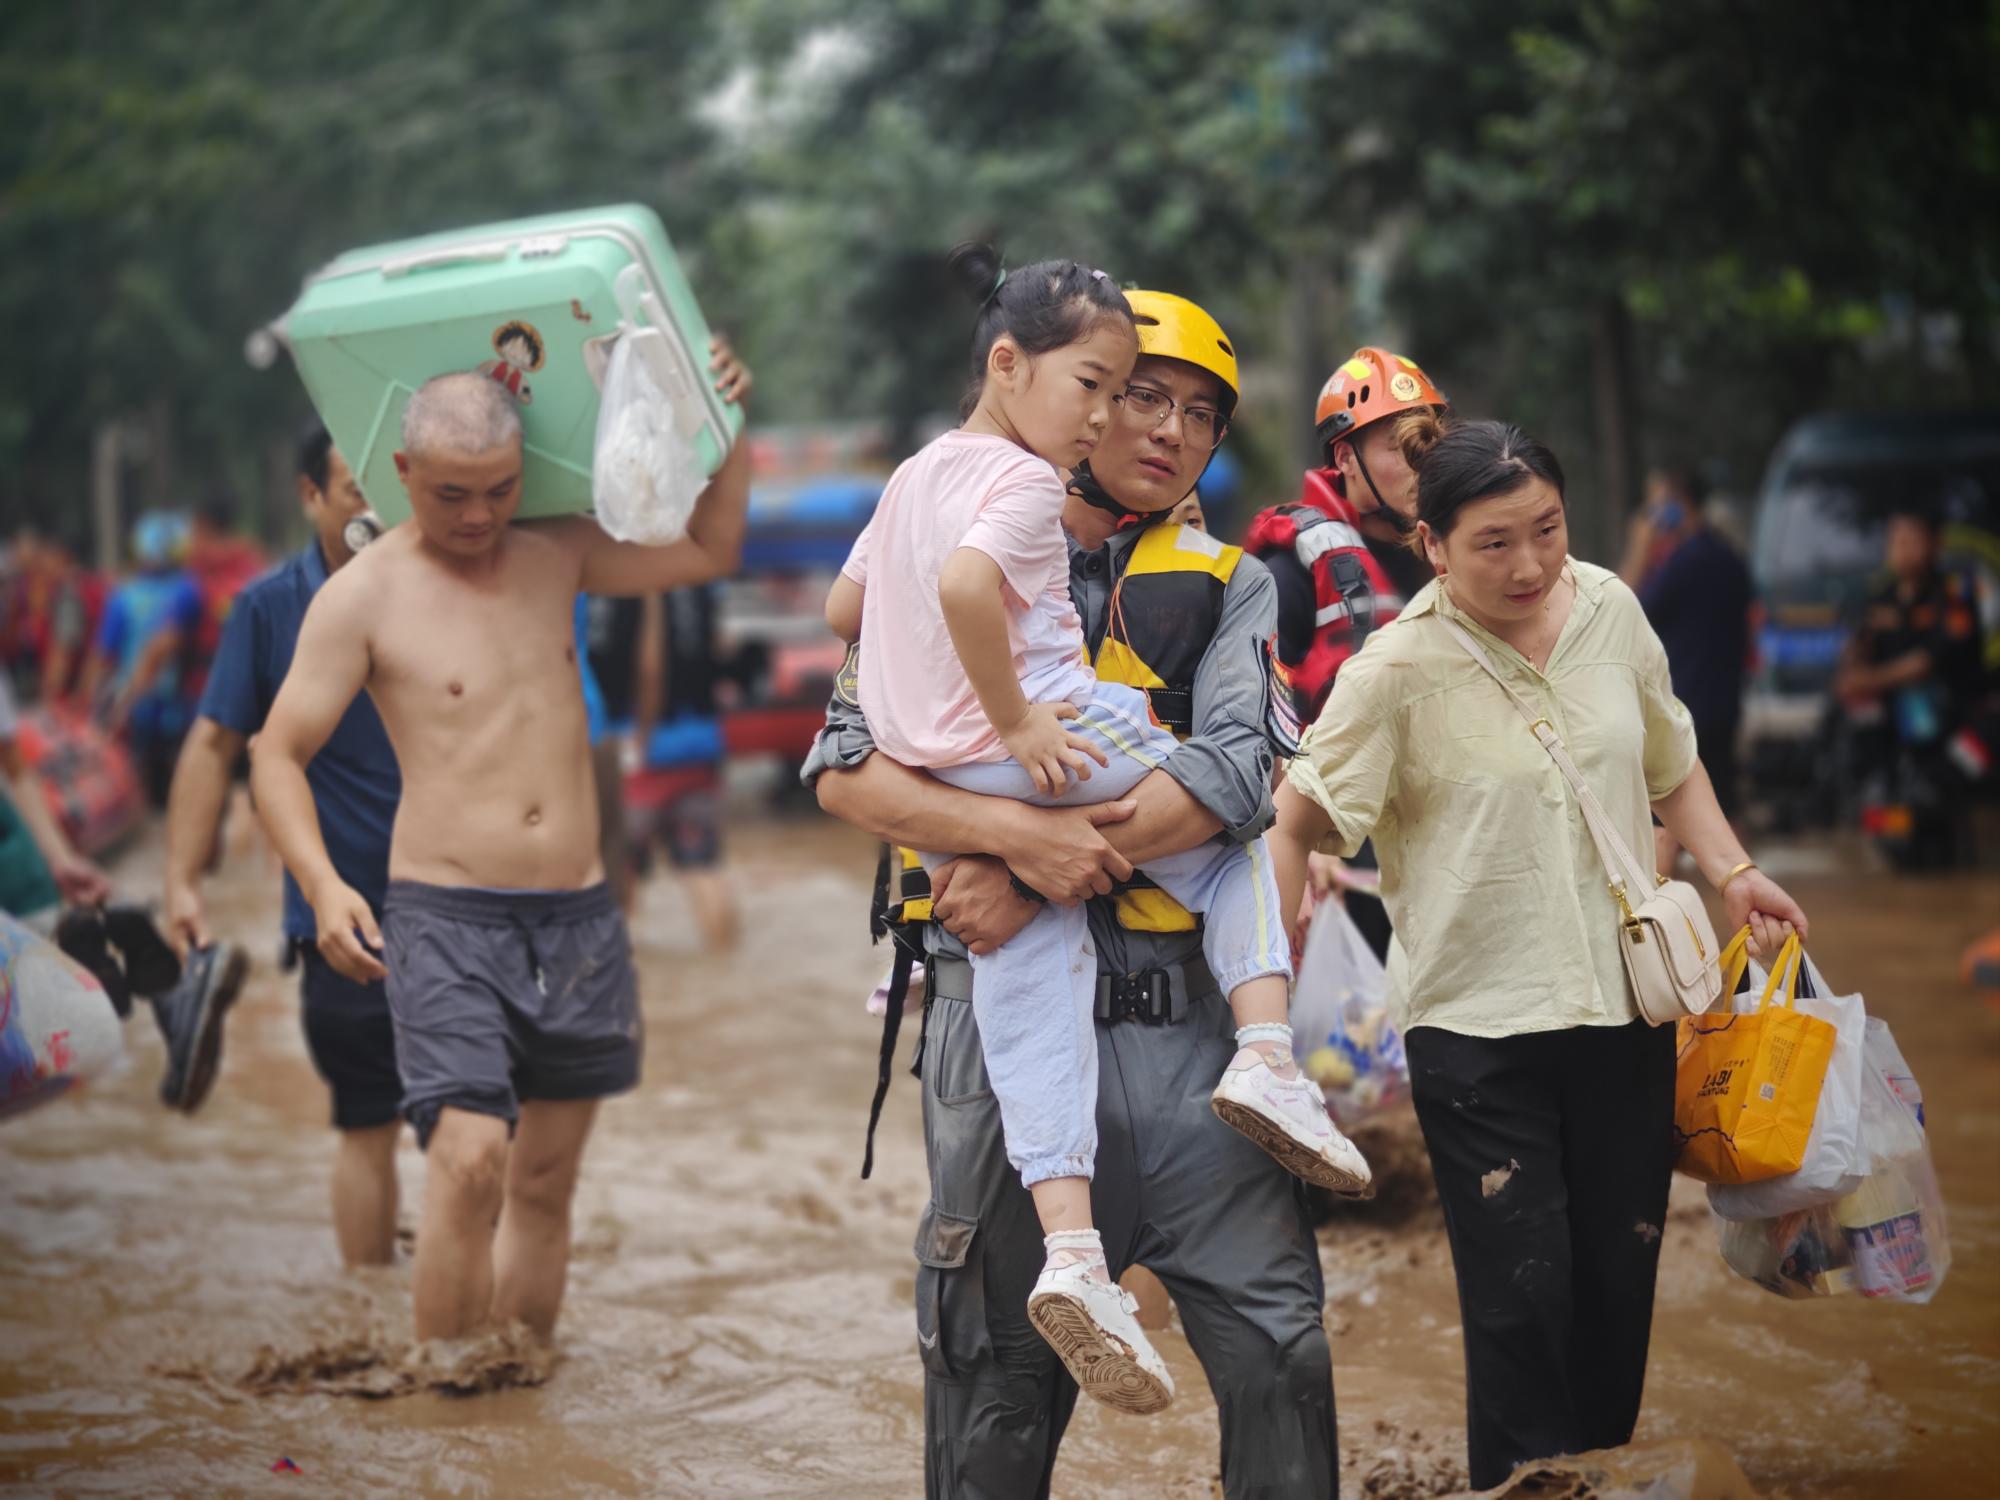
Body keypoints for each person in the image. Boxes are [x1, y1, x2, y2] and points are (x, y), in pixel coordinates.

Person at [814, 287, 1343, 1495]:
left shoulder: (1227, 582)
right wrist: (1010, 837)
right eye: (1136, 394)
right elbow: (841, 768)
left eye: (1199, 416)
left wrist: (1020, 862)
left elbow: (1234, 771)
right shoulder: (951, 523)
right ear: (1073, 392)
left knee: (1279, 1348)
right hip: (996, 1034)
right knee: (991, 1378)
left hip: (1188, 1028)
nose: (1161, 429)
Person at [1271, 417, 1810, 1489]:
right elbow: (1294, 818)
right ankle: (1521, 1483)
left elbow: (1670, 759)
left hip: (1626, 1013)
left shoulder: (1609, 607)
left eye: (1545, 531)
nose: (1527, 565)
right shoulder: (1394, 671)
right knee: (1520, 1296)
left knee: (1618, 1283)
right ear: (1431, 545)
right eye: (1492, 543)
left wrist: (1730, 868)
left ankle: (1594, 1477)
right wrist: (1266, 1003)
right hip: (1475, 1033)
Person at [252, 344, 752, 1344]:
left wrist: (726, 423)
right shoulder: (361, 595)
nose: (478, 515)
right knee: (469, 1160)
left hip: (576, 913)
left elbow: (706, 549)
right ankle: (446, 1400)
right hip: (444, 913)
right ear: (399, 475)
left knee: (544, 1180)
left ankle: (519, 1399)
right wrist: (320, 882)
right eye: (450, 494)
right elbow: (276, 753)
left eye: (498, 490)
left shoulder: (554, 551)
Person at [163, 422, 404, 1263]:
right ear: (309, 496)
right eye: (354, 491)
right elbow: (213, 744)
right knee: (367, 1127)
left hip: (466, 906)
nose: (377, 509)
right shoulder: (268, 609)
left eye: (390, 486)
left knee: (477, 1137)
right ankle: (369, 1311)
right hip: (339, 922)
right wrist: (183, 883)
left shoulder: (447, 584)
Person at [1245, 347, 1449, 957]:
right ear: (1345, 458)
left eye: (1428, 444)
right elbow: (1258, 724)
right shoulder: (1290, 571)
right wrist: (1292, 855)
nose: (1420, 466)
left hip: (1444, 837)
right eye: (1397, 447)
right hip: (1341, 850)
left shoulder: (1463, 553)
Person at [1618, 463, 1753, 868]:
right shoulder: (1727, 554)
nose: (1650, 514)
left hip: (1687, 702)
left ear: (1677, 503)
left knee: (1666, 817)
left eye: (1656, 503)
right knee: (1726, 803)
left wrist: (1638, 547)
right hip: (1724, 700)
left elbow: (1618, 611)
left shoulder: (1686, 562)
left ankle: (1666, 913)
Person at [595, 586, 739, 949]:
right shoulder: (699, 579)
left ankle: (626, 975)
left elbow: (650, 668)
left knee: (621, 869)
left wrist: (642, 737)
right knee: (702, 864)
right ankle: (726, 961)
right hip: (701, 740)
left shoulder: (632, 580)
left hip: (641, 746)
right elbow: (721, 646)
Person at [80, 513, 203, 806]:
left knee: (143, 772)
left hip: (133, 700)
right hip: (180, 701)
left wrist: (87, 702)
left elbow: (103, 655)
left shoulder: (123, 596)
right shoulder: (189, 588)